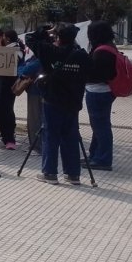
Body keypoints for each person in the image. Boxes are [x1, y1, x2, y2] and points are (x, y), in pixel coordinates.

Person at [26, 23, 91, 184]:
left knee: (51, 136)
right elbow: (90, 73)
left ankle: (49, 173)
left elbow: (30, 38)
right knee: (71, 136)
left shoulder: (50, 51)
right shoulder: (82, 55)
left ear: (57, 37)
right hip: (73, 101)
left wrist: (45, 30)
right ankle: (73, 174)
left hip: (53, 100)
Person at [85, 21, 118, 171]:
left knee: (101, 126)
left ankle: (103, 159)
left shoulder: (101, 52)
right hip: (105, 91)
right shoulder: (109, 47)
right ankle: (95, 155)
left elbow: (95, 74)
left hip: (98, 91)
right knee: (99, 125)